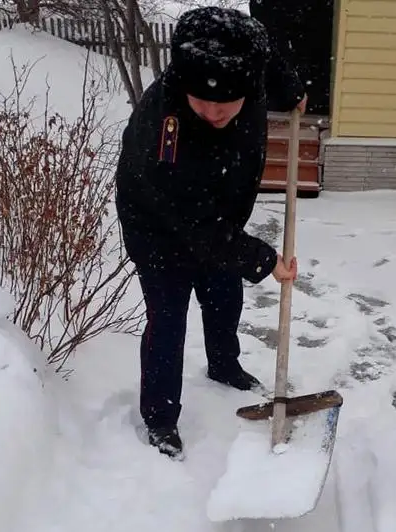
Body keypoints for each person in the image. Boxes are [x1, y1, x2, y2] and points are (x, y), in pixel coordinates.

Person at [114, 6, 307, 460]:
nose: (214, 111)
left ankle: (224, 365)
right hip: (158, 229)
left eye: (226, 102)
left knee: (223, 294)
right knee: (168, 321)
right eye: (202, 100)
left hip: (219, 217)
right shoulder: (164, 128)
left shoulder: (246, 71)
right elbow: (191, 221)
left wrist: (292, 91)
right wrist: (263, 260)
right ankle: (160, 419)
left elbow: (270, 63)